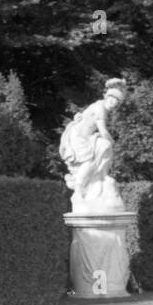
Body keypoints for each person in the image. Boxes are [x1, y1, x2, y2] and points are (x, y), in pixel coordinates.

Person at [59, 78, 127, 211]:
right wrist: (113, 142)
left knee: (101, 148)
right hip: (77, 137)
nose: (113, 104)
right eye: (112, 100)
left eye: (116, 103)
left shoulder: (99, 106)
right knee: (90, 160)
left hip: (83, 136)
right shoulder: (100, 108)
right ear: (107, 98)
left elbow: (82, 116)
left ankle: (95, 181)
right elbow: (102, 130)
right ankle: (79, 189)